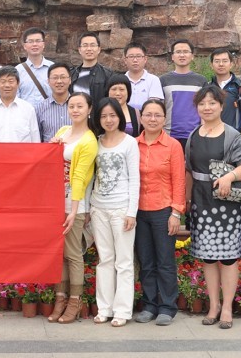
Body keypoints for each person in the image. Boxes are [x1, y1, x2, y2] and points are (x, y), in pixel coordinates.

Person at [185, 85, 241, 331]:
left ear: (222, 106)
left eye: (212, 103)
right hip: (201, 202)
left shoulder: (232, 135)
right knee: (208, 258)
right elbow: (189, 171)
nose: (207, 107)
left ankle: (227, 308)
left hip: (226, 204)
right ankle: (213, 306)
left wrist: (229, 177)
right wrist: (186, 202)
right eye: (202, 103)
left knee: (228, 258)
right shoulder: (193, 135)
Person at [46, 92, 97, 325]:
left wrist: (75, 210)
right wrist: (52, 146)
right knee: (60, 254)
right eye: (72, 106)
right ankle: (60, 299)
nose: (75, 110)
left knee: (74, 254)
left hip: (75, 202)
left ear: (89, 110)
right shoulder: (62, 132)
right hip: (55, 202)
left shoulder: (89, 140)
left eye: (80, 106)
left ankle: (74, 302)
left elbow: (79, 177)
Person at [90, 97, 141, 328]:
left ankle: (122, 310)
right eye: (103, 116)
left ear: (119, 117)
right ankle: (104, 308)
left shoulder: (129, 142)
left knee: (124, 261)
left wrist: (132, 212)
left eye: (112, 115)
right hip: (98, 207)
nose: (108, 120)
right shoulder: (96, 141)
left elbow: (134, 179)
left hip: (122, 208)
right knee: (105, 260)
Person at [134, 99, 185, 326]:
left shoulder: (172, 145)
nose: (152, 119)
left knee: (165, 261)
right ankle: (149, 304)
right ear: (141, 117)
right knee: (146, 261)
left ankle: (167, 306)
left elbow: (179, 181)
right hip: (138, 211)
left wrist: (176, 212)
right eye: (148, 114)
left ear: (164, 119)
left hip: (163, 211)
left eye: (157, 115)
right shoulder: (133, 144)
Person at [161, 39, 207, 148]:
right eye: (178, 52)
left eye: (186, 52)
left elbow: (205, 107)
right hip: (169, 134)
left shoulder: (201, 80)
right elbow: (159, 107)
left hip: (195, 135)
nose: (182, 55)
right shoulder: (163, 80)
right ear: (172, 56)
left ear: (192, 56)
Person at [0, 66, 40, 142]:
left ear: (18, 83)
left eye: (11, 81)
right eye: (3, 81)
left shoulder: (28, 109)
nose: (7, 85)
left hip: (22, 150)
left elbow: (35, 139)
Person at [210, 48, 241, 131]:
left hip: (234, 134)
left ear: (231, 64)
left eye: (225, 61)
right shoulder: (208, 87)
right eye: (217, 61)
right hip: (211, 133)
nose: (221, 64)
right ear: (211, 65)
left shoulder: (240, 86)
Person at [69, 31, 113, 102]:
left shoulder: (108, 75)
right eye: (85, 45)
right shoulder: (71, 74)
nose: (89, 49)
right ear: (79, 50)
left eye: (92, 45)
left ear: (99, 49)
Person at [16, 27, 54, 105]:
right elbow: (16, 96)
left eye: (38, 41)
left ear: (43, 44)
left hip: (49, 111)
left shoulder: (53, 68)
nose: (34, 44)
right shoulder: (18, 70)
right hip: (26, 112)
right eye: (30, 41)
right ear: (25, 46)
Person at [35, 63, 72, 143]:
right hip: (49, 150)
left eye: (63, 77)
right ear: (48, 81)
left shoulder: (79, 106)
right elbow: (37, 139)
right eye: (55, 78)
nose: (59, 81)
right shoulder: (40, 108)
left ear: (70, 80)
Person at [122, 42, 164, 112]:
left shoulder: (153, 80)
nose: (135, 60)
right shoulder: (121, 81)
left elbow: (154, 106)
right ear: (125, 60)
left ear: (145, 59)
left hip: (146, 118)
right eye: (131, 56)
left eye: (138, 56)